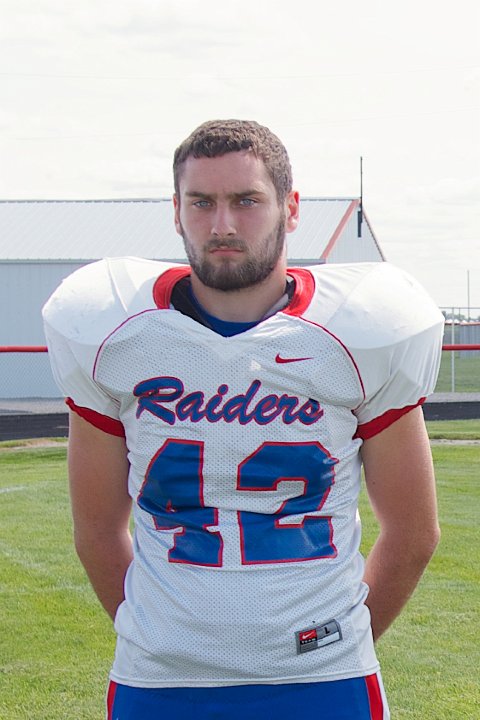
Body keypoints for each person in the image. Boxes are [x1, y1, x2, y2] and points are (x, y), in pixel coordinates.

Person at [43, 119, 444, 720]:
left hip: (323, 681)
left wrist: (335, 643)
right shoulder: (116, 333)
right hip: (159, 680)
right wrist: (158, 637)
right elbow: (97, 531)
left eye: (246, 200)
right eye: (201, 202)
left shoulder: (360, 331)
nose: (222, 225)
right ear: (176, 211)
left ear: (291, 207)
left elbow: (413, 533)